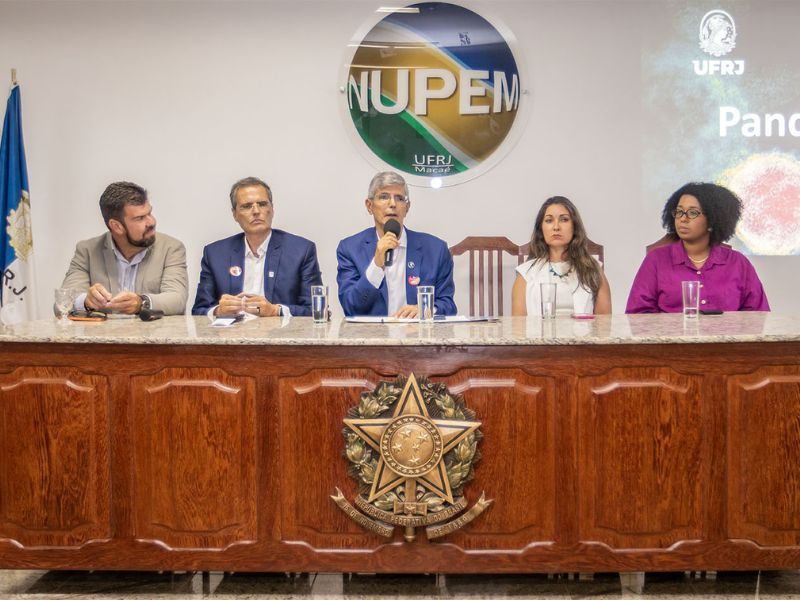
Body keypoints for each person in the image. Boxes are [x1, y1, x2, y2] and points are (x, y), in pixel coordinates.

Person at [626, 182, 769, 313]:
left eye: (692, 213)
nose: (683, 218)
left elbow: (758, 316)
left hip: (726, 340)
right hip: (673, 340)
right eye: (679, 212)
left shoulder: (738, 263)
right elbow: (638, 315)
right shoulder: (656, 260)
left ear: (713, 219)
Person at [192, 176, 322, 317]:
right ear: (235, 214)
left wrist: (275, 310)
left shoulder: (301, 250)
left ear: (272, 209)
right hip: (230, 335)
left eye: (262, 204)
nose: (256, 211)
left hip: (280, 335)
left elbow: (316, 309)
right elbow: (199, 311)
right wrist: (219, 311)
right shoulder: (215, 254)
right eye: (247, 206)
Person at [337, 171, 456, 317]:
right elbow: (351, 307)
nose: (392, 204)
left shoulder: (436, 249)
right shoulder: (349, 249)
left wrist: (426, 310)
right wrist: (376, 265)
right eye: (384, 197)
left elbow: (448, 305)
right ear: (369, 206)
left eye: (399, 198)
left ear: (407, 208)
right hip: (372, 337)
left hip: (418, 336)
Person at [61, 181, 188, 315]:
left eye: (149, 213)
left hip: (153, 334)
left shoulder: (171, 248)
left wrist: (141, 302)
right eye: (140, 218)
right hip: (103, 335)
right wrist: (86, 301)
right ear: (116, 226)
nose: (151, 222)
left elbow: (177, 300)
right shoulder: (87, 251)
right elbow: (63, 303)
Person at [512, 196, 611, 316]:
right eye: (549, 220)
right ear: (541, 229)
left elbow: (604, 325)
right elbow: (518, 329)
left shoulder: (593, 269)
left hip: (582, 334)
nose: (556, 227)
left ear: (574, 227)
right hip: (539, 334)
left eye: (564, 219)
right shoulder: (525, 274)